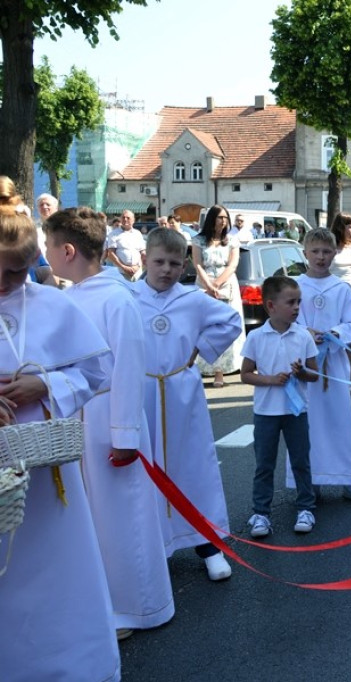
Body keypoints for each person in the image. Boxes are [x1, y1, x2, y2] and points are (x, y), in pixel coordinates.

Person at [0, 178, 121, 681]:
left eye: (17, 273)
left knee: (56, 573)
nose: (8, 283)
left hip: (43, 473)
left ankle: (69, 665)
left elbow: (97, 372)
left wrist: (45, 385)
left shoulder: (52, 305)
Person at [44, 207, 174, 640]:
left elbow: (128, 368)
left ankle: (133, 607)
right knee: (93, 519)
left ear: (67, 250)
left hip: (108, 420)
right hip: (80, 418)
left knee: (123, 518)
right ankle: (101, 603)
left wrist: (124, 437)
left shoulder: (117, 298)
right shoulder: (71, 295)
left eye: (48, 248)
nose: (45, 256)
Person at [132, 228, 240, 580]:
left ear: (184, 268)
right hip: (140, 391)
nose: (166, 269)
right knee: (145, 471)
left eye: (174, 264)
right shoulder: (127, 297)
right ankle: (153, 549)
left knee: (193, 466)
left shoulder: (192, 299)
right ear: (145, 259)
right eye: (159, 261)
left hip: (182, 392)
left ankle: (208, 545)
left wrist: (200, 350)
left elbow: (231, 320)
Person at [295, 229, 351, 505]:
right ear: (305, 253)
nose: (320, 257)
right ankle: (310, 482)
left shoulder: (341, 288)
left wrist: (336, 333)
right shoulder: (296, 286)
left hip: (335, 366)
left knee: (342, 421)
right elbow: (288, 321)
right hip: (305, 367)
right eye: (315, 251)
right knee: (309, 425)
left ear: (334, 254)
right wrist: (306, 332)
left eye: (326, 251)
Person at [241, 276, 319, 538]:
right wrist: (271, 380)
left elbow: (314, 375)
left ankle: (306, 507)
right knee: (264, 464)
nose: (297, 307)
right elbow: (246, 374)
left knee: (301, 461)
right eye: (291, 302)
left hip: (296, 411)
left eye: (299, 302)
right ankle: (261, 513)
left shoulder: (304, 336)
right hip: (266, 412)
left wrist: (302, 372)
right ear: (271, 306)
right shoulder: (255, 336)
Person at [192, 205, 245, 387]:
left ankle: (220, 371)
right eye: (220, 217)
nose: (223, 221)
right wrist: (208, 285)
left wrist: (217, 284)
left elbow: (232, 265)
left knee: (223, 328)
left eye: (225, 218)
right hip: (204, 285)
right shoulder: (198, 240)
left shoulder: (231, 240)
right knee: (205, 327)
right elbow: (198, 264)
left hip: (226, 285)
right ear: (211, 219)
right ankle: (200, 366)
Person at [329, 212, 351, 391]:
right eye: (350, 226)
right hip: (333, 298)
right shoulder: (331, 248)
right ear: (340, 227)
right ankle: (333, 379)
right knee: (333, 338)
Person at [105, 208, 146, 280]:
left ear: (133, 220)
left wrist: (138, 266)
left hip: (137, 273)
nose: (125, 219)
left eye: (128, 218)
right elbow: (111, 254)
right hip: (121, 273)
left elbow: (142, 252)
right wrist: (124, 267)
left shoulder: (138, 234)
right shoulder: (114, 234)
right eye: (123, 217)